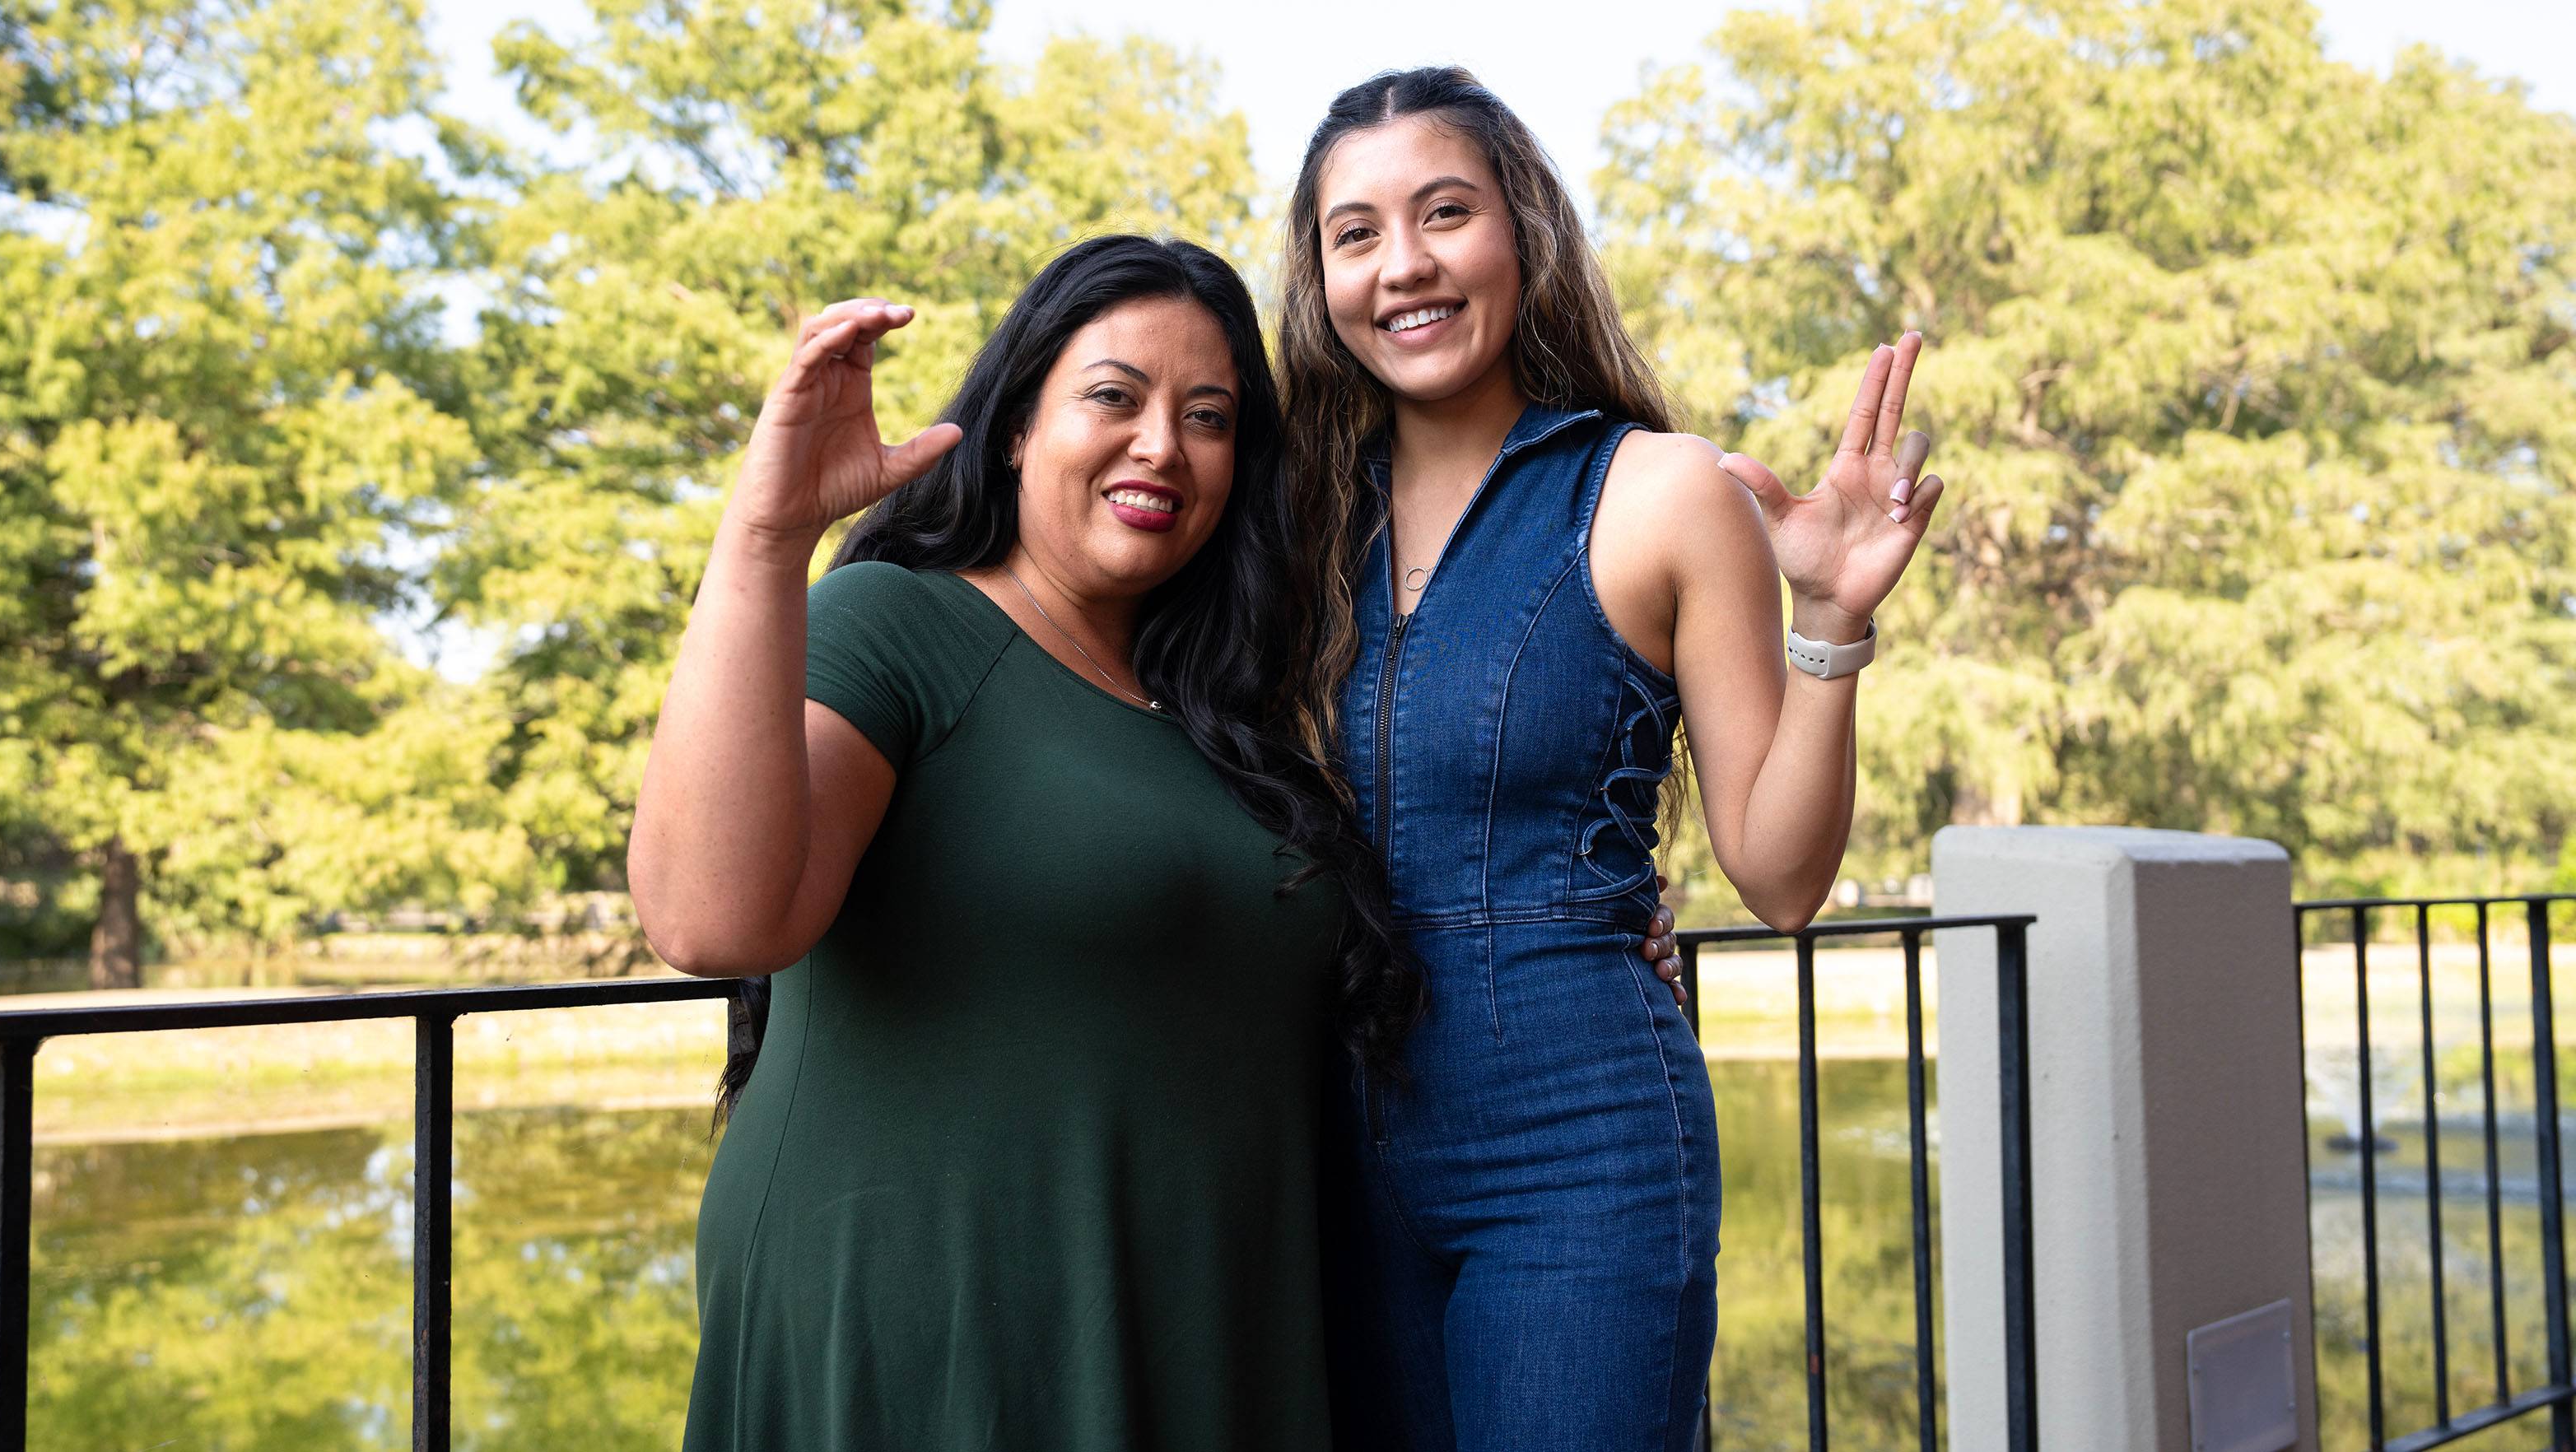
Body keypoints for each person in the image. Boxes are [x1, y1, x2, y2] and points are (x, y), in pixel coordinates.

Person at [626, 234, 1415, 1450]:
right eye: (1115, 396)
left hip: (1202, 1338)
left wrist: (1587, 920)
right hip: (945, 1344)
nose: (1162, 442)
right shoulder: (896, 623)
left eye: (1209, 418)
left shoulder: (1229, 718)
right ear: (1014, 426)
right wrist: (768, 537)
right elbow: (709, 918)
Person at [1278, 67, 1949, 1450]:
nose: (1402, 264)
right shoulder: (1283, 524)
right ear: (1320, 276)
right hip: (1317, 1138)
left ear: (1520, 232)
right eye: (1356, 234)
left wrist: (1830, 623)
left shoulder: (1660, 491)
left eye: (1444, 213)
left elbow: (1777, 876)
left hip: (1576, 1142)